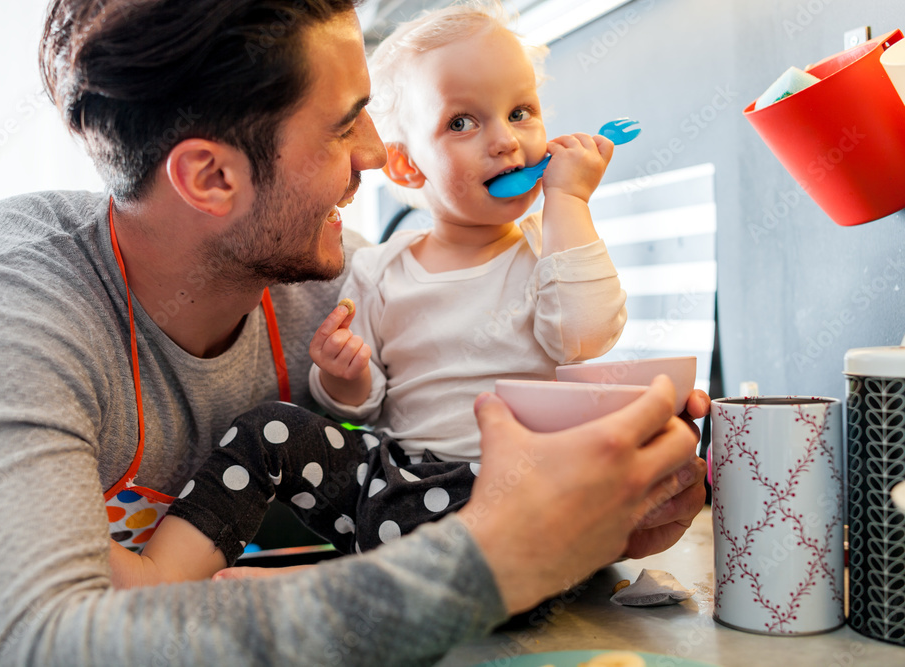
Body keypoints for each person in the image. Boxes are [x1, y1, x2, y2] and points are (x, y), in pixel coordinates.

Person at [0, 1, 708, 665]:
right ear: (211, 177)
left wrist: (602, 509)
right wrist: (491, 559)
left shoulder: (339, 285)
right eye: (345, 124)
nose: (374, 154)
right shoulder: (3, 298)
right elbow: (6, 642)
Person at [107, 2, 634, 587]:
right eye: (462, 122)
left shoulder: (551, 248)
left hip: (512, 495)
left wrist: (569, 203)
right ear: (407, 167)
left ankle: (300, 587)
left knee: (554, 534)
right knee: (269, 430)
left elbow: (583, 334)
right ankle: (166, 573)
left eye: (521, 111)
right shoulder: (380, 268)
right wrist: (344, 379)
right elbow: (361, 408)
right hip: (395, 485)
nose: (506, 142)